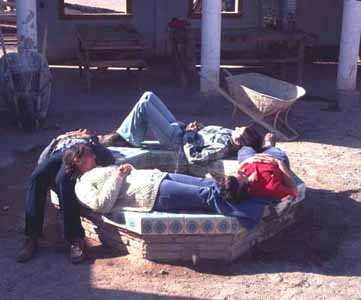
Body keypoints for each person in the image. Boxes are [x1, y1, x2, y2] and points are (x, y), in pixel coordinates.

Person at [17, 129, 115, 264]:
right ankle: (31, 236)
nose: (78, 131)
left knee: (63, 180)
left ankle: (75, 239)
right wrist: (60, 138)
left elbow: (109, 158)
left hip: (74, 156)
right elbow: (43, 158)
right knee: (36, 178)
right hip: (59, 153)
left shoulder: (88, 143)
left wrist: (91, 138)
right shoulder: (63, 139)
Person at [63, 144, 245, 216]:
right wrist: (118, 175)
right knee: (206, 195)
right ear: (78, 161)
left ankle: (245, 188)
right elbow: (102, 205)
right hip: (152, 193)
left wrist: (126, 170)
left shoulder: (99, 169)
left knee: (206, 183)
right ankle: (245, 206)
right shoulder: (82, 185)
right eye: (89, 155)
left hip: (157, 177)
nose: (94, 156)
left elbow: (125, 177)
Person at [101, 91, 262, 164]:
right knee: (148, 96)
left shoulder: (221, 148)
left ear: (238, 141)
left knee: (144, 106)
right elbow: (207, 134)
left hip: (175, 140)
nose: (237, 126)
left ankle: (122, 137)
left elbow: (194, 157)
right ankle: (129, 137)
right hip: (181, 128)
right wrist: (199, 128)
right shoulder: (229, 133)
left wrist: (190, 135)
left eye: (239, 129)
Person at [235, 133, 297, 201]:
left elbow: (237, 173)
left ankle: (259, 145)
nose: (239, 172)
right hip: (273, 160)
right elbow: (294, 191)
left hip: (251, 160)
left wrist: (247, 161)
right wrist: (279, 163)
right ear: (244, 184)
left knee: (244, 149)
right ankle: (268, 145)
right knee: (278, 153)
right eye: (240, 176)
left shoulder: (238, 180)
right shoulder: (271, 187)